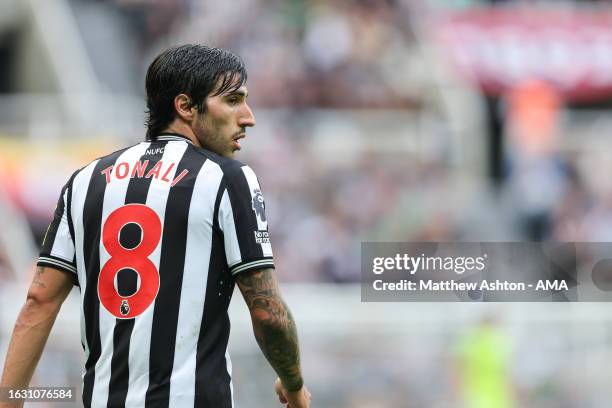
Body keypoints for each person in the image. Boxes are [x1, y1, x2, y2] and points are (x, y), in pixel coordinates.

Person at [0, 44, 311, 408]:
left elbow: (38, 301)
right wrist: (294, 385)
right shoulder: (228, 179)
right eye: (232, 100)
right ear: (185, 107)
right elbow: (267, 312)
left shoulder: (84, 180)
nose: (248, 117)